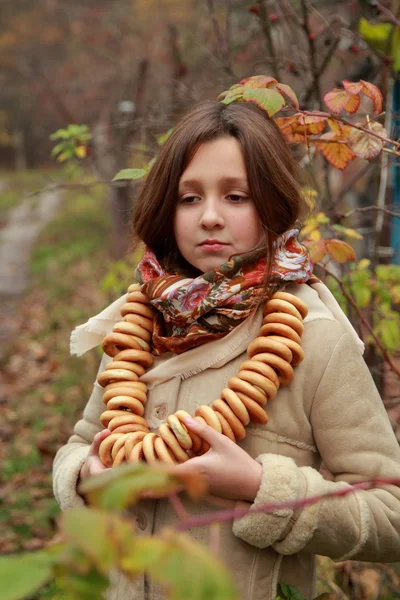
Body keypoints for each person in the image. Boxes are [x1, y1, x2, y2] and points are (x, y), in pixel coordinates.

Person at [53, 100, 400, 600]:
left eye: (236, 197)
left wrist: (261, 489)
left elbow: (389, 513)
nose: (210, 217)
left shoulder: (315, 334)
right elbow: (80, 444)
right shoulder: (136, 324)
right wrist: (87, 474)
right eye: (189, 198)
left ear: (272, 205)